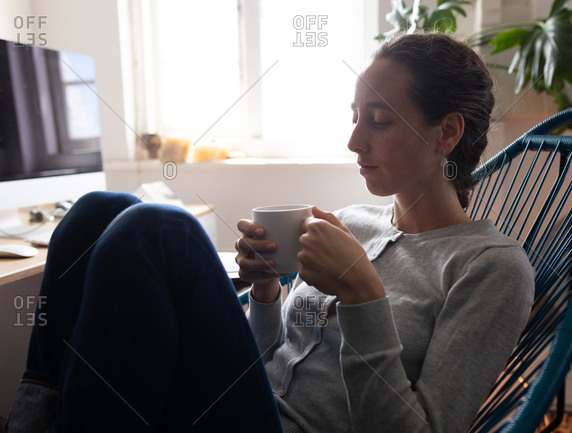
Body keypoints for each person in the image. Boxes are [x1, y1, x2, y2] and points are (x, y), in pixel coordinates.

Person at [6, 32, 534, 433]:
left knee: (157, 230)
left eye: (378, 120)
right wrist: (264, 293)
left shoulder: (489, 267)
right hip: (238, 405)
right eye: (354, 117)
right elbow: (263, 357)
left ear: (447, 131)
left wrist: (361, 293)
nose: (354, 141)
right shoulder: (349, 223)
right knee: (98, 212)